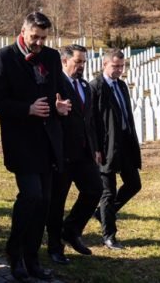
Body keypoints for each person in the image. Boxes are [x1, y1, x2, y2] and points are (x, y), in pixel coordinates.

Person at [0, 12, 71, 282]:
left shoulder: (51, 57)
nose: (39, 43)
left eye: (43, 38)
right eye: (35, 37)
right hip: (22, 141)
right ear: (23, 31)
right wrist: (28, 109)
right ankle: (15, 252)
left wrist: (60, 106)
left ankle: (32, 258)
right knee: (31, 196)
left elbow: (59, 90)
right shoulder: (4, 57)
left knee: (44, 202)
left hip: (48, 141)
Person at [46, 45, 103, 264]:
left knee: (95, 189)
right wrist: (55, 108)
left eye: (84, 62)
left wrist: (95, 147)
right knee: (57, 202)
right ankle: (54, 246)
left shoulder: (85, 86)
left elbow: (90, 120)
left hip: (84, 152)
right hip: (62, 153)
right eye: (78, 62)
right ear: (64, 61)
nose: (81, 66)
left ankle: (71, 230)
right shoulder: (54, 84)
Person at [89, 48, 142, 251]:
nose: (119, 70)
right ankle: (109, 236)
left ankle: (102, 213)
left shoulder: (121, 85)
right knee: (108, 192)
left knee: (134, 184)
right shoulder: (96, 87)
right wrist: (96, 148)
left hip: (125, 143)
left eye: (122, 66)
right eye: (115, 66)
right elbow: (91, 122)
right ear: (104, 64)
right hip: (106, 146)